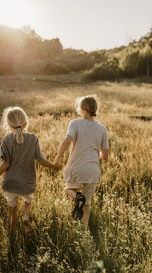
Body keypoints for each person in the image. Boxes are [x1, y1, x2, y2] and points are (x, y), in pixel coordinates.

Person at [0, 106, 62, 233]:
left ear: (9, 124)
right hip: (27, 183)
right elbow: (41, 161)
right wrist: (54, 166)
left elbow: (6, 163)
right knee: (27, 201)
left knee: (12, 208)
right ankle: (25, 216)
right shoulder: (33, 138)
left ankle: (11, 233)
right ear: (25, 122)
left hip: (10, 183)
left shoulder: (6, 140)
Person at [54, 95, 109, 228]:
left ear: (82, 108)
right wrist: (95, 157)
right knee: (87, 204)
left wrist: (57, 159)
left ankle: (77, 196)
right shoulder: (102, 128)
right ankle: (84, 231)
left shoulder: (75, 123)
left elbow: (67, 140)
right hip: (93, 171)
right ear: (95, 109)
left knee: (69, 189)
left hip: (76, 167)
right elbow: (105, 155)